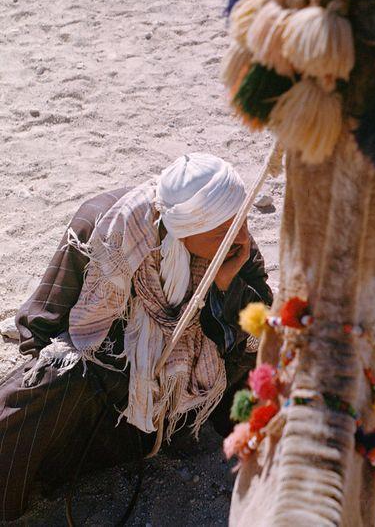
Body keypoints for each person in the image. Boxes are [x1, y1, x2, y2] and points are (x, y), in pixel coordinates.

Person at [0, 153, 272, 521]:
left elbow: (253, 328)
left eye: (242, 222)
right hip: (108, 387)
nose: (240, 237)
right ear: (184, 230)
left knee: (266, 352)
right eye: (222, 233)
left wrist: (221, 288)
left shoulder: (232, 240)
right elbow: (40, 323)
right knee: (45, 384)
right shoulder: (105, 227)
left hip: (180, 398)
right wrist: (77, 392)